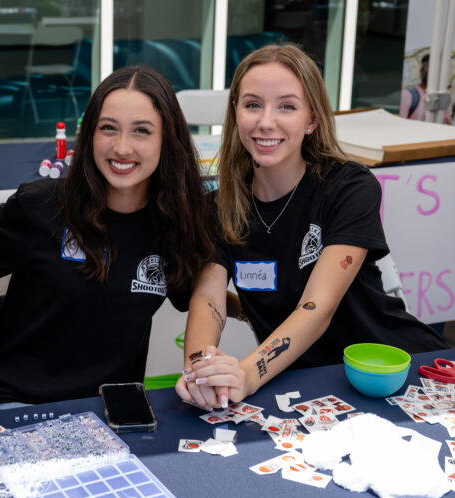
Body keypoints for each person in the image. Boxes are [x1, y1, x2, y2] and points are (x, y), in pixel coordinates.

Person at [177, 44, 449, 410]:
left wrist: (245, 373)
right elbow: (208, 297)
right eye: (253, 104)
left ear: (312, 120)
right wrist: (200, 372)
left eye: (287, 106)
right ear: (236, 113)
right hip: (303, 385)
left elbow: (316, 308)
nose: (266, 122)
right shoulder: (219, 207)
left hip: (392, 375)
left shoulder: (349, 188)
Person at [0, 65, 216, 410]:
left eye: (142, 131)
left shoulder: (176, 224)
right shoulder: (41, 206)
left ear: (167, 140)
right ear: (90, 135)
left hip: (111, 411)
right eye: (108, 129)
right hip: (16, 404)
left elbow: (195, 293)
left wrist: (244, 309)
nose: (122, 147)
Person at [399, 54, 452, 124]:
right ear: (422, 71)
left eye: (439, 70)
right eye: (431, 69)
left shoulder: (443, 98)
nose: (435, 74)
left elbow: (448, 126)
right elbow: (399, 126)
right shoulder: (407, 96)